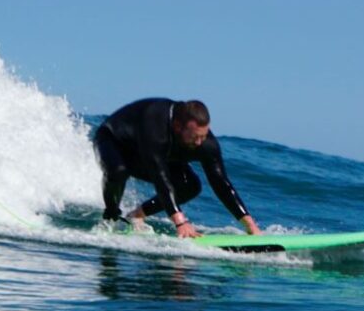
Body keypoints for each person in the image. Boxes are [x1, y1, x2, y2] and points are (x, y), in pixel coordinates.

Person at [93, 99, 260, 238]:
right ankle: (111, 214)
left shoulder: (205, 142)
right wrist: (180, 222)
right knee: (118, 171)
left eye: (203, 135)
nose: (199, 143)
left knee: (190, 186)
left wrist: (250, 225)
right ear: (178, 127)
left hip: (154, 153)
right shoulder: (155, 124)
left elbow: (221, 183)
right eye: (195, 137)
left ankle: (136, 215)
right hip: (113, 141)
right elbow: (160, 177)